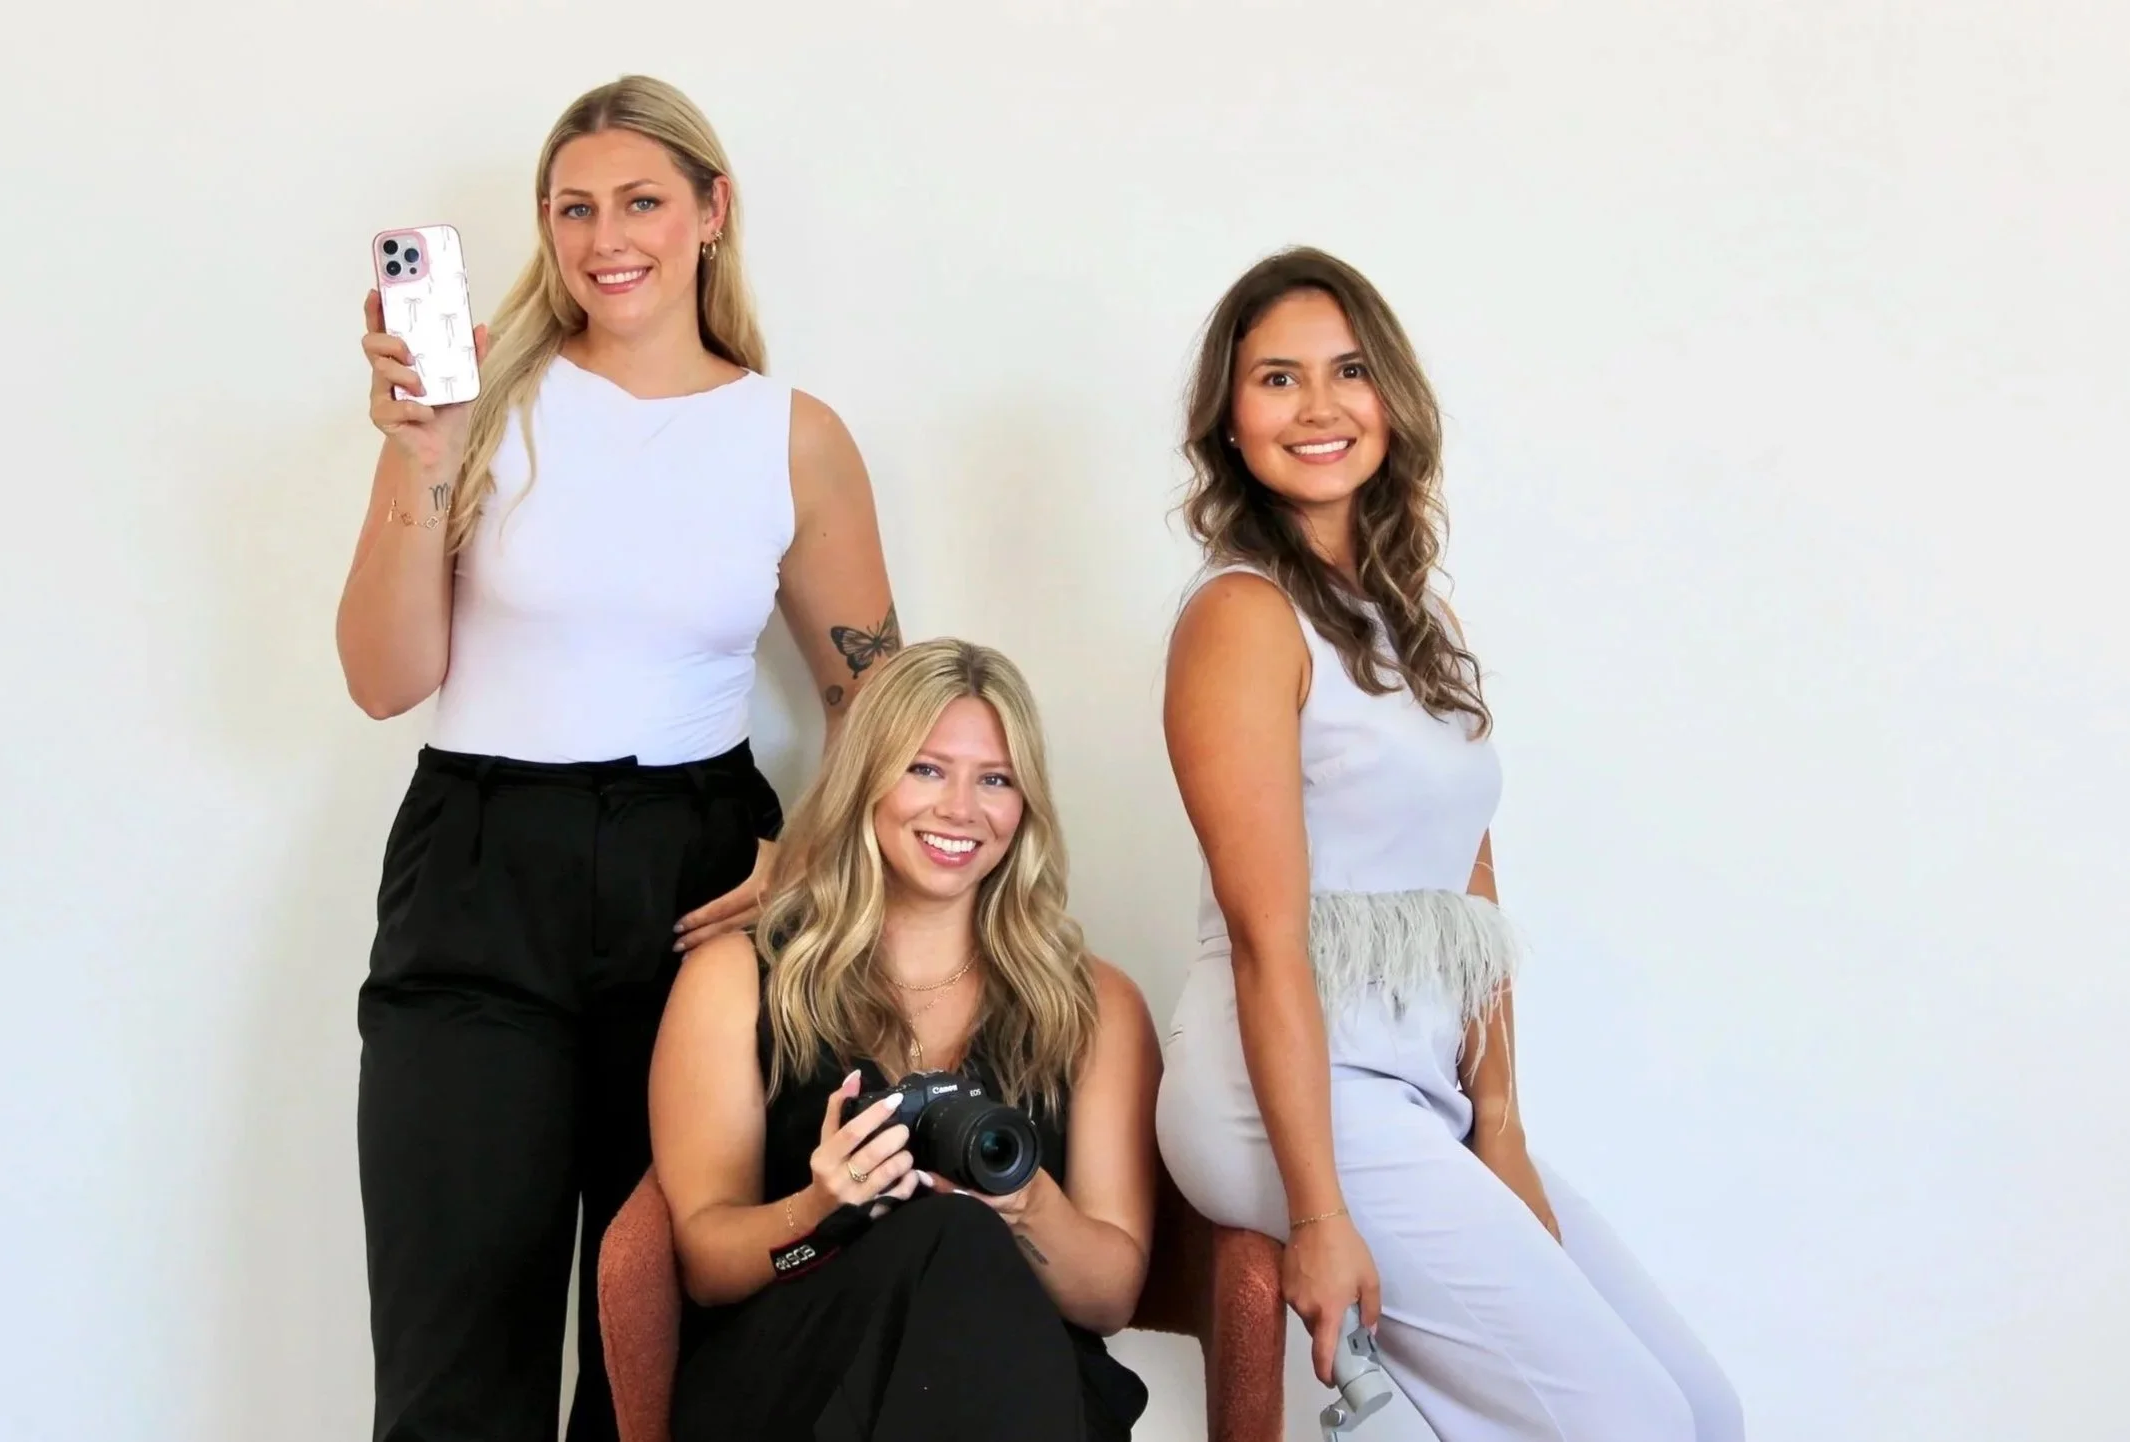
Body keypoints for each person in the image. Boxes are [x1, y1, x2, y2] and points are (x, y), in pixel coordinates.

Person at [336, 75, 900, 1442]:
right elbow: (381, 678)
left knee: (661, 1342)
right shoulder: (479, 408)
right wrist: (423, 457)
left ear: (712, 212)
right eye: (573, 207)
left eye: (640, 200)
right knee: (453, 1348)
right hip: (478, 867)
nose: (606, 237)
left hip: (691, 876)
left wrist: (811, 862)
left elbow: (879, 699)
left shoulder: (792, 435)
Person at [1152, 246, 1745, 1442]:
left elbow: (1471, 888)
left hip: (1413, 1093)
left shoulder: (1414, 620)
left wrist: (1503, 1129)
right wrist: (1317, 1214)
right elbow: (1271, 941)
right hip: (1284, 1100)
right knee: (1631, 1424)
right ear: (1228, 418)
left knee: (1701, 1409)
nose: (1319, 406)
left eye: (1349, 370)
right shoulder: (1240, 618)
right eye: (1277, 378)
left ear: (1393, 399)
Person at [649, 638, 1160, 1442]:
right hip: (801, 1376)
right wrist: (819, 1210)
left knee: (962, 1240)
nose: (960, 809)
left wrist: (1022, 1205)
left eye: (994, 779)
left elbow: (1107, 1299)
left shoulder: (1095, 1006)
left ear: (1023, 805)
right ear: (866, 780)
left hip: (1018, 1384)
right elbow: (707, 1269)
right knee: (944, 1238)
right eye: (926, 769)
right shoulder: (738, 979)